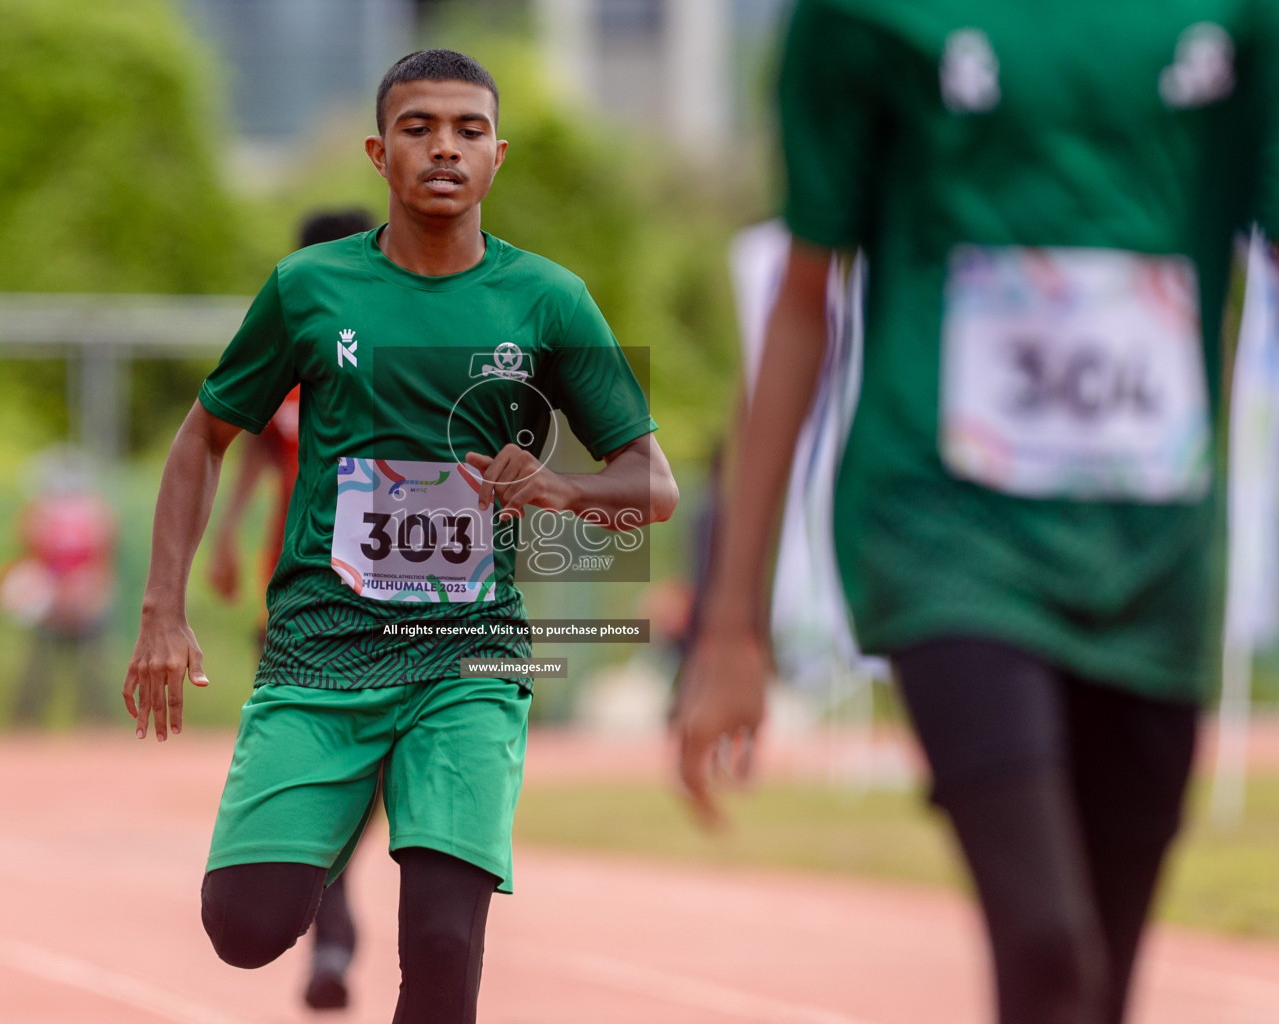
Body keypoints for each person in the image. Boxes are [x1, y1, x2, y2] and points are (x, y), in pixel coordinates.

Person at [674, 5, 1278, 1024]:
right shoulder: (862, 18)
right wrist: (731, 624)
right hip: (945, 533)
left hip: (1157, 553)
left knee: (1098, 984)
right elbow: (802, 297)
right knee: (1047, 948)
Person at [123, 49, 676, 1024]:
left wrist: (559, 486)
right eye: (419, 128)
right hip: (321, 646)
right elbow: (203, 438)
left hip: (467, 653)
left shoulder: (548, 299)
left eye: (468, 130)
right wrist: (162, 606)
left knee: (441, 943)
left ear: (498, 156)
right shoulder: (307, 289)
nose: (445, 147)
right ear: (381, 153)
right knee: (244, 924)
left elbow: (652, 484)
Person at [204, 207, 377, 1011]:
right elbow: (241, 444)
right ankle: (333, 922)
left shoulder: (402, 350)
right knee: (314, 757)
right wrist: (229, 539)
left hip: (396, 599)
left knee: (372, 775)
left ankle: (335, 901)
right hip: (298, 595)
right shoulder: (293, 347)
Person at [0, 451, 118, 726]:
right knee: (40, 665)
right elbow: (30, 557)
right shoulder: (38, 512)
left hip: (84, 600)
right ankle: (27, 719)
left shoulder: (97, 512)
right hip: (49, 601)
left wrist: (90, 592)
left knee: (92, 665)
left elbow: (103, 561)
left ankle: (96, 719)